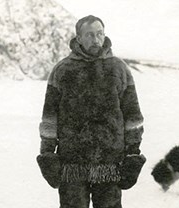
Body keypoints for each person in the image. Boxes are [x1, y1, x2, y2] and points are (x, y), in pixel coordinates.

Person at [37, 15, 144, 208]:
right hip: (72, 164)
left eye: (99, 34)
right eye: (89, 35)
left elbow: (133, 114)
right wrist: (47, 152)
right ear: (78, 38)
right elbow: (50, 117)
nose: (95, 40)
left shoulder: (119, 69)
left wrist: (133, 152)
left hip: (110, 162)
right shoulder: (62, 70)